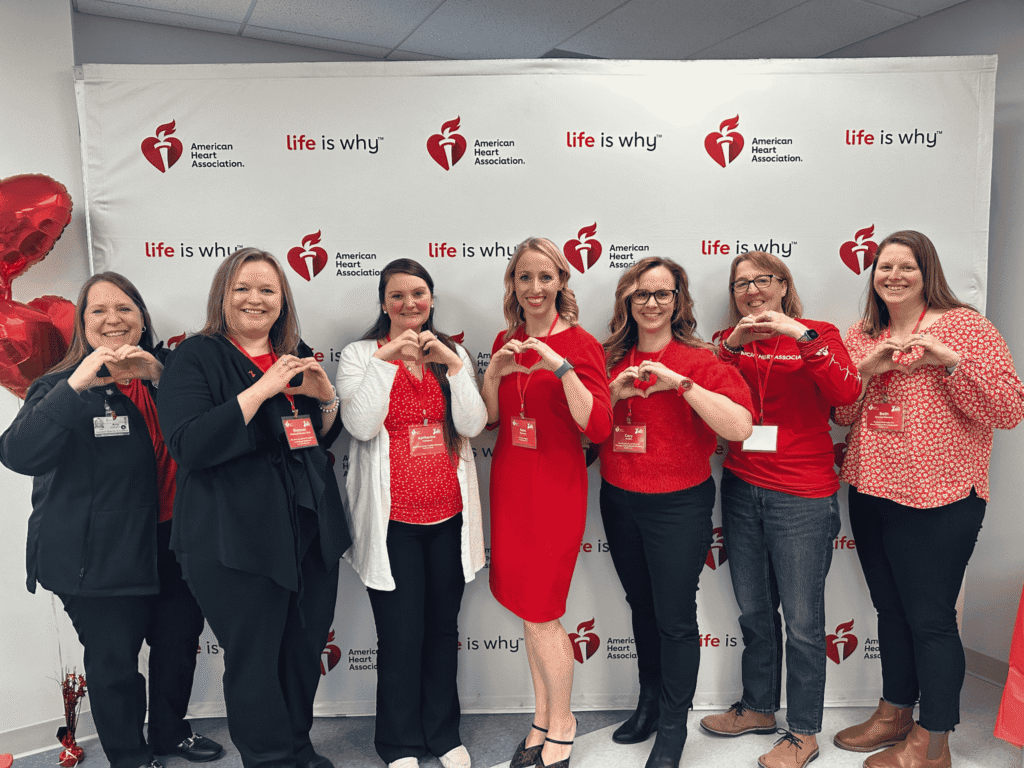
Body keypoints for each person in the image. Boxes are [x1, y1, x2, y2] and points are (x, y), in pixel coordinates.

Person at [0, 273, 223, 768]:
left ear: (142, 318)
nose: (113, 319)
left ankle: (169, 733)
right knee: (114, 663)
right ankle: (129, 756)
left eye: (124, 308)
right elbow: (18, 454)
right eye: (97, 311)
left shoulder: (170, 376)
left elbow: (206, 437)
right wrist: (79, 382)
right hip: (97, 553)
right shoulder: (60, 385)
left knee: (177, 645)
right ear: (83, 325)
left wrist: (162, 378)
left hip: (174, 542)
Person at [832, 230, 1024, 768]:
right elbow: (841, 414)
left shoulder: (965, 327)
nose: (892, 277)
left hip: (940, 497)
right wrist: (869, 368)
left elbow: (1009, 409)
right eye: (883, 267)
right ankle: (894, 711)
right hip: (872, 489)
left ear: (927, 272)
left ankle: (932, 740)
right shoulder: (863, 333)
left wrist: (949, 361)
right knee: (889, 610)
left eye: (905, 267)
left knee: (930, 618)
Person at [157, 248, 351, 768]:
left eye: (268, 289)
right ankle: (268, 758)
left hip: (308, 528)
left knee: (301, 649)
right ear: (223, 294)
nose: (255, 299)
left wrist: (326, 393)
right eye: (243, 287)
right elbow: (189, 445)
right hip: (232, 537)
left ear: (282, 299)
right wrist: (263, 388)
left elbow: (316, 435)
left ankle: (296, 747)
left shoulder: (296, 350)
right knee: (256, 657)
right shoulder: (195, 355)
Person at [698, 252, 862, 768]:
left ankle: (804, 732)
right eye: (740, 284)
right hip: (743, 486)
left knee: (804, 623)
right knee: (753, 611)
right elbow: (703, 386)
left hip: (803, 495)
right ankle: (759, 706)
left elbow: (846, 394)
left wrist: (800, 335)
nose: (750, 290)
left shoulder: (818, 333)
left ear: (783, 285)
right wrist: (730, 346)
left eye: (761, 280)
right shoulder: (729, 342)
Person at [598, 257, 753, 768]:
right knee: (642, 608)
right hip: (619, 500)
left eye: (662, 294)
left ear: (679, 301)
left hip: (678, 506)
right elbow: (586, 432)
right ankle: (647, 703)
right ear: (627, 300)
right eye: (641, 294)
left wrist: (680, 384)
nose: (651, 304)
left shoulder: (701, 359)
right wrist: (614, 394)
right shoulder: (608, 358)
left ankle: (671, 725)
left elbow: (739, 426)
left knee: (675, 619)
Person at [336, 259, 487, 768]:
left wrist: (458, 366)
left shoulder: (452, 354)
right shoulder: (361, 354)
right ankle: (398, 743)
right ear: (384, 302)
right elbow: (358, 426)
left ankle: (443, 736)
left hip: (448, 518)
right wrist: (386, 360)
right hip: (392, 524)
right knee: (401, 637)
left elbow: (472, 422)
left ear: (431, 299)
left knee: (443, 631)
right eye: (397, 296)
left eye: (418, 294)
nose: (409, 305)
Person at [482, 237, 613, 768]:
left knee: (543, 612)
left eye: (545, 277)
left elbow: (599, 426)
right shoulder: (504, 338)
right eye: (524, 278)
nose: (534, 288)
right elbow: (490, 419)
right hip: (511, 483)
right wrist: (494, 371)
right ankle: (541, 718)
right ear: (513, 285)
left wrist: (560, 366)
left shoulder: (582, 345)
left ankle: (564, 723)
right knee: (528, 612)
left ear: (562, 282)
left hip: (555, 488)